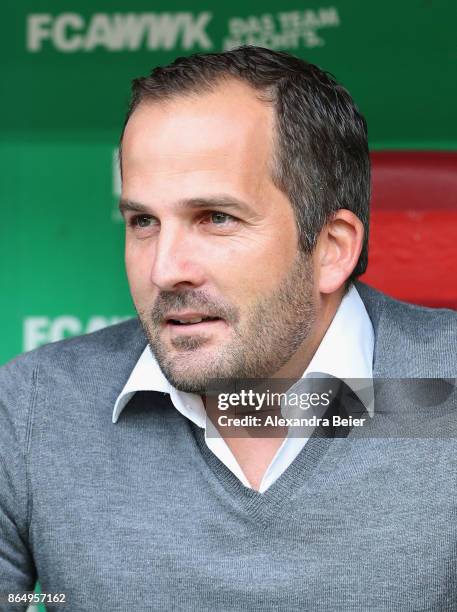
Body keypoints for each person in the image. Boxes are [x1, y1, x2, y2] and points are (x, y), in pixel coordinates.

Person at [0, 46, 455, 611]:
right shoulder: (32, 407)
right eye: (143, 221)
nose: (164, 269)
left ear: (332, 250)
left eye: (215, 218)